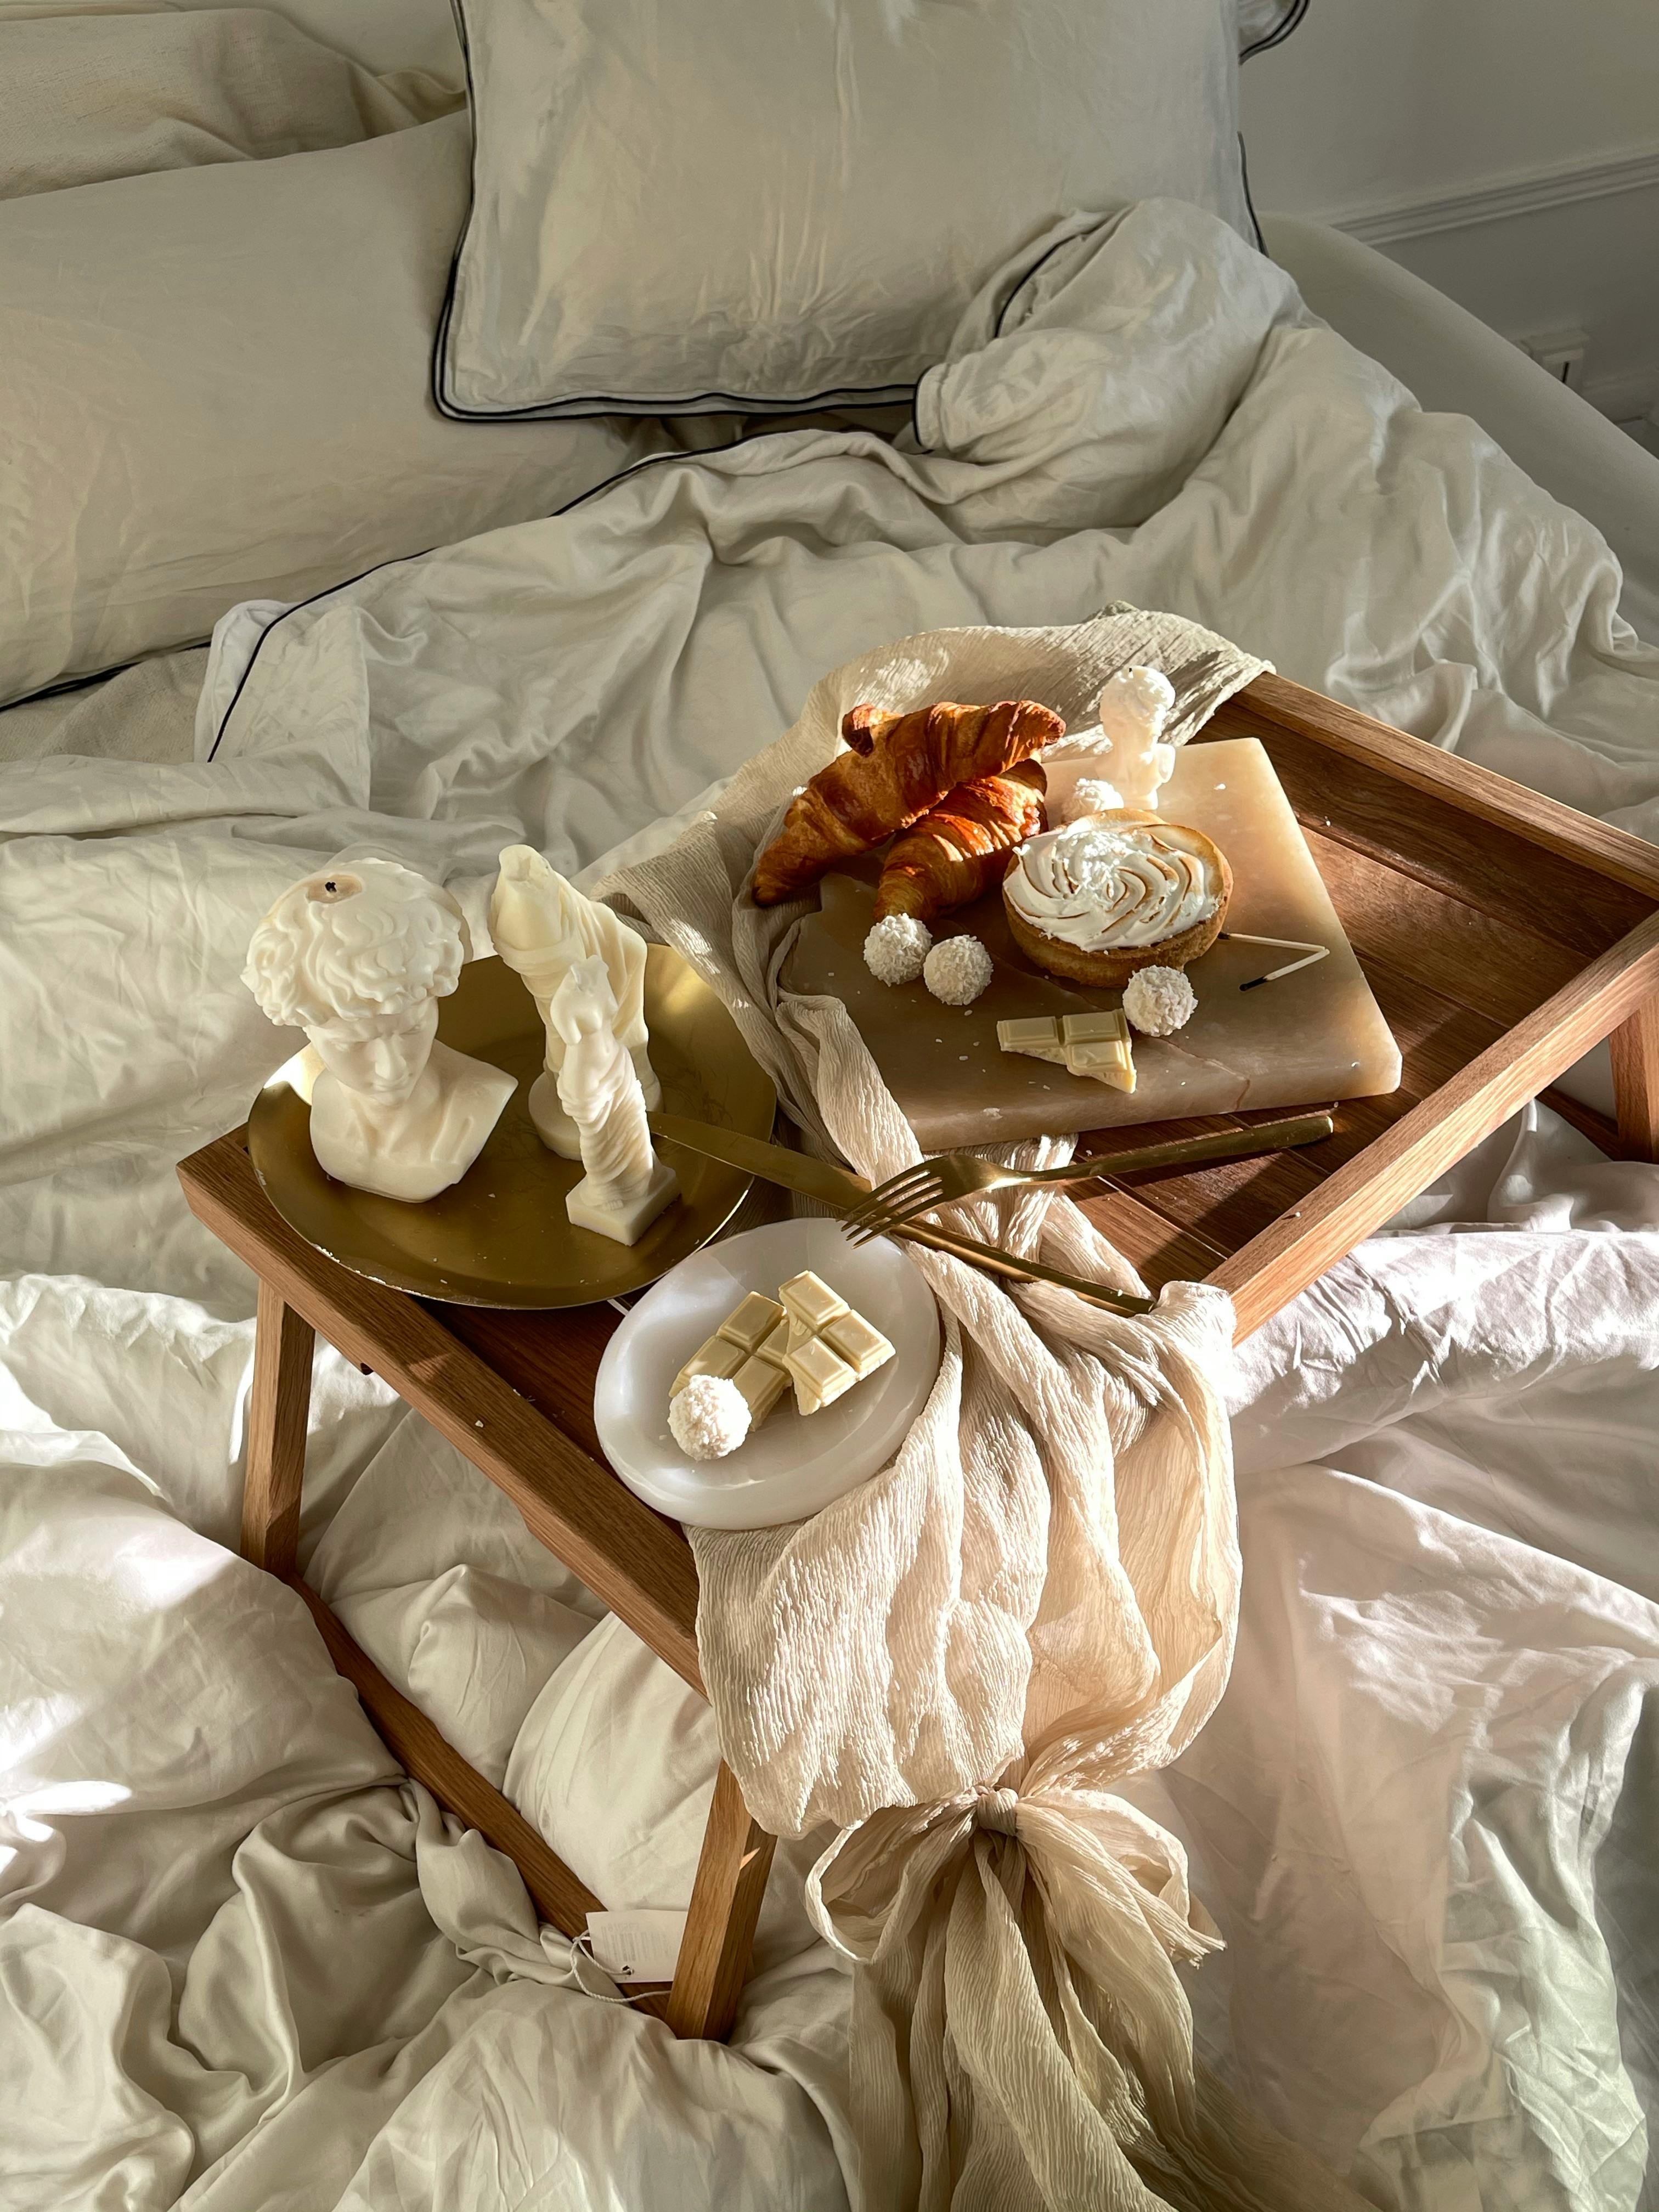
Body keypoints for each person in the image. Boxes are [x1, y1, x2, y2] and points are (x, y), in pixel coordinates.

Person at [243, 859, 514, 1202]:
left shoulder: (485, 1094)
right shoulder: (318, 1104)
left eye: (412, 1029)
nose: (394, 1068)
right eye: (353, 1045)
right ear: (308, 1032)